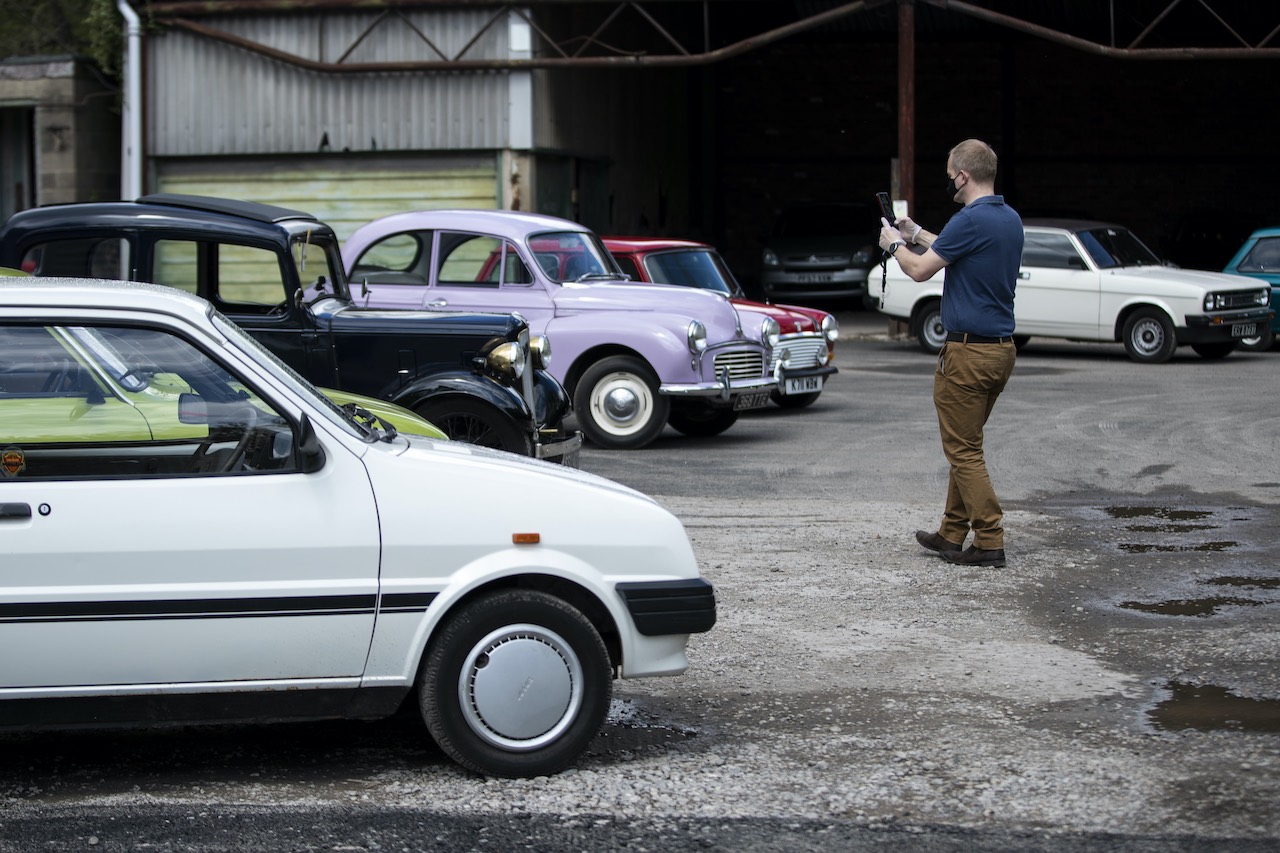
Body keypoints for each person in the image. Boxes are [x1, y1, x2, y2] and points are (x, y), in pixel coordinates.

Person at [878, 139, 1023, 568]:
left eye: (949, 175)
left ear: (962, 175)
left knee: (963, 451)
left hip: (967, 353)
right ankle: (952, 533)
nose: (949, 182)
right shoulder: (1007, 218)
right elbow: (956, 248)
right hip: (1000, 352)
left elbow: (920, 269)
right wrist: (915, 232)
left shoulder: (969, 218)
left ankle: (990, 539)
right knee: (968, 444)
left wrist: (892, 244)